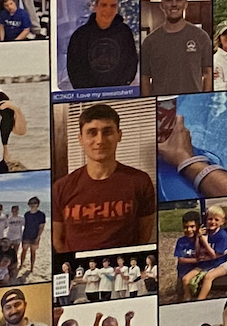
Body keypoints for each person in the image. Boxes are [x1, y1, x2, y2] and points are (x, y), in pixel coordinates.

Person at [55, 101, 159, 254]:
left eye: (107, 132)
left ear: (119, 135)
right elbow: (57, 241)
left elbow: (144, 235)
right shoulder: (61, 187)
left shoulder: (140, 182)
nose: (100, 141)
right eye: (92, 133)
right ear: (80, 139)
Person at [140, 0, 215, 95]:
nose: (174, 4)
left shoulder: (201, 37)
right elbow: (145, 78)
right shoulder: (150, 42)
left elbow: (208, 73)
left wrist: (205, 100)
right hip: (163, 105)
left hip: (193, 104)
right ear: (162, 5)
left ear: (185, 4)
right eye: (169, 0)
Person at [66, 0, 139, 94]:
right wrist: (90, 93)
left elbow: (131, 62)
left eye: (113, 6)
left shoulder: (125, 32)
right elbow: (75, 69)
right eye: (104, 5)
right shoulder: (80, 35)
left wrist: (119, 88)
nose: (108, 10)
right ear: (95, 7)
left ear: (117, 8)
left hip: (118, 93)